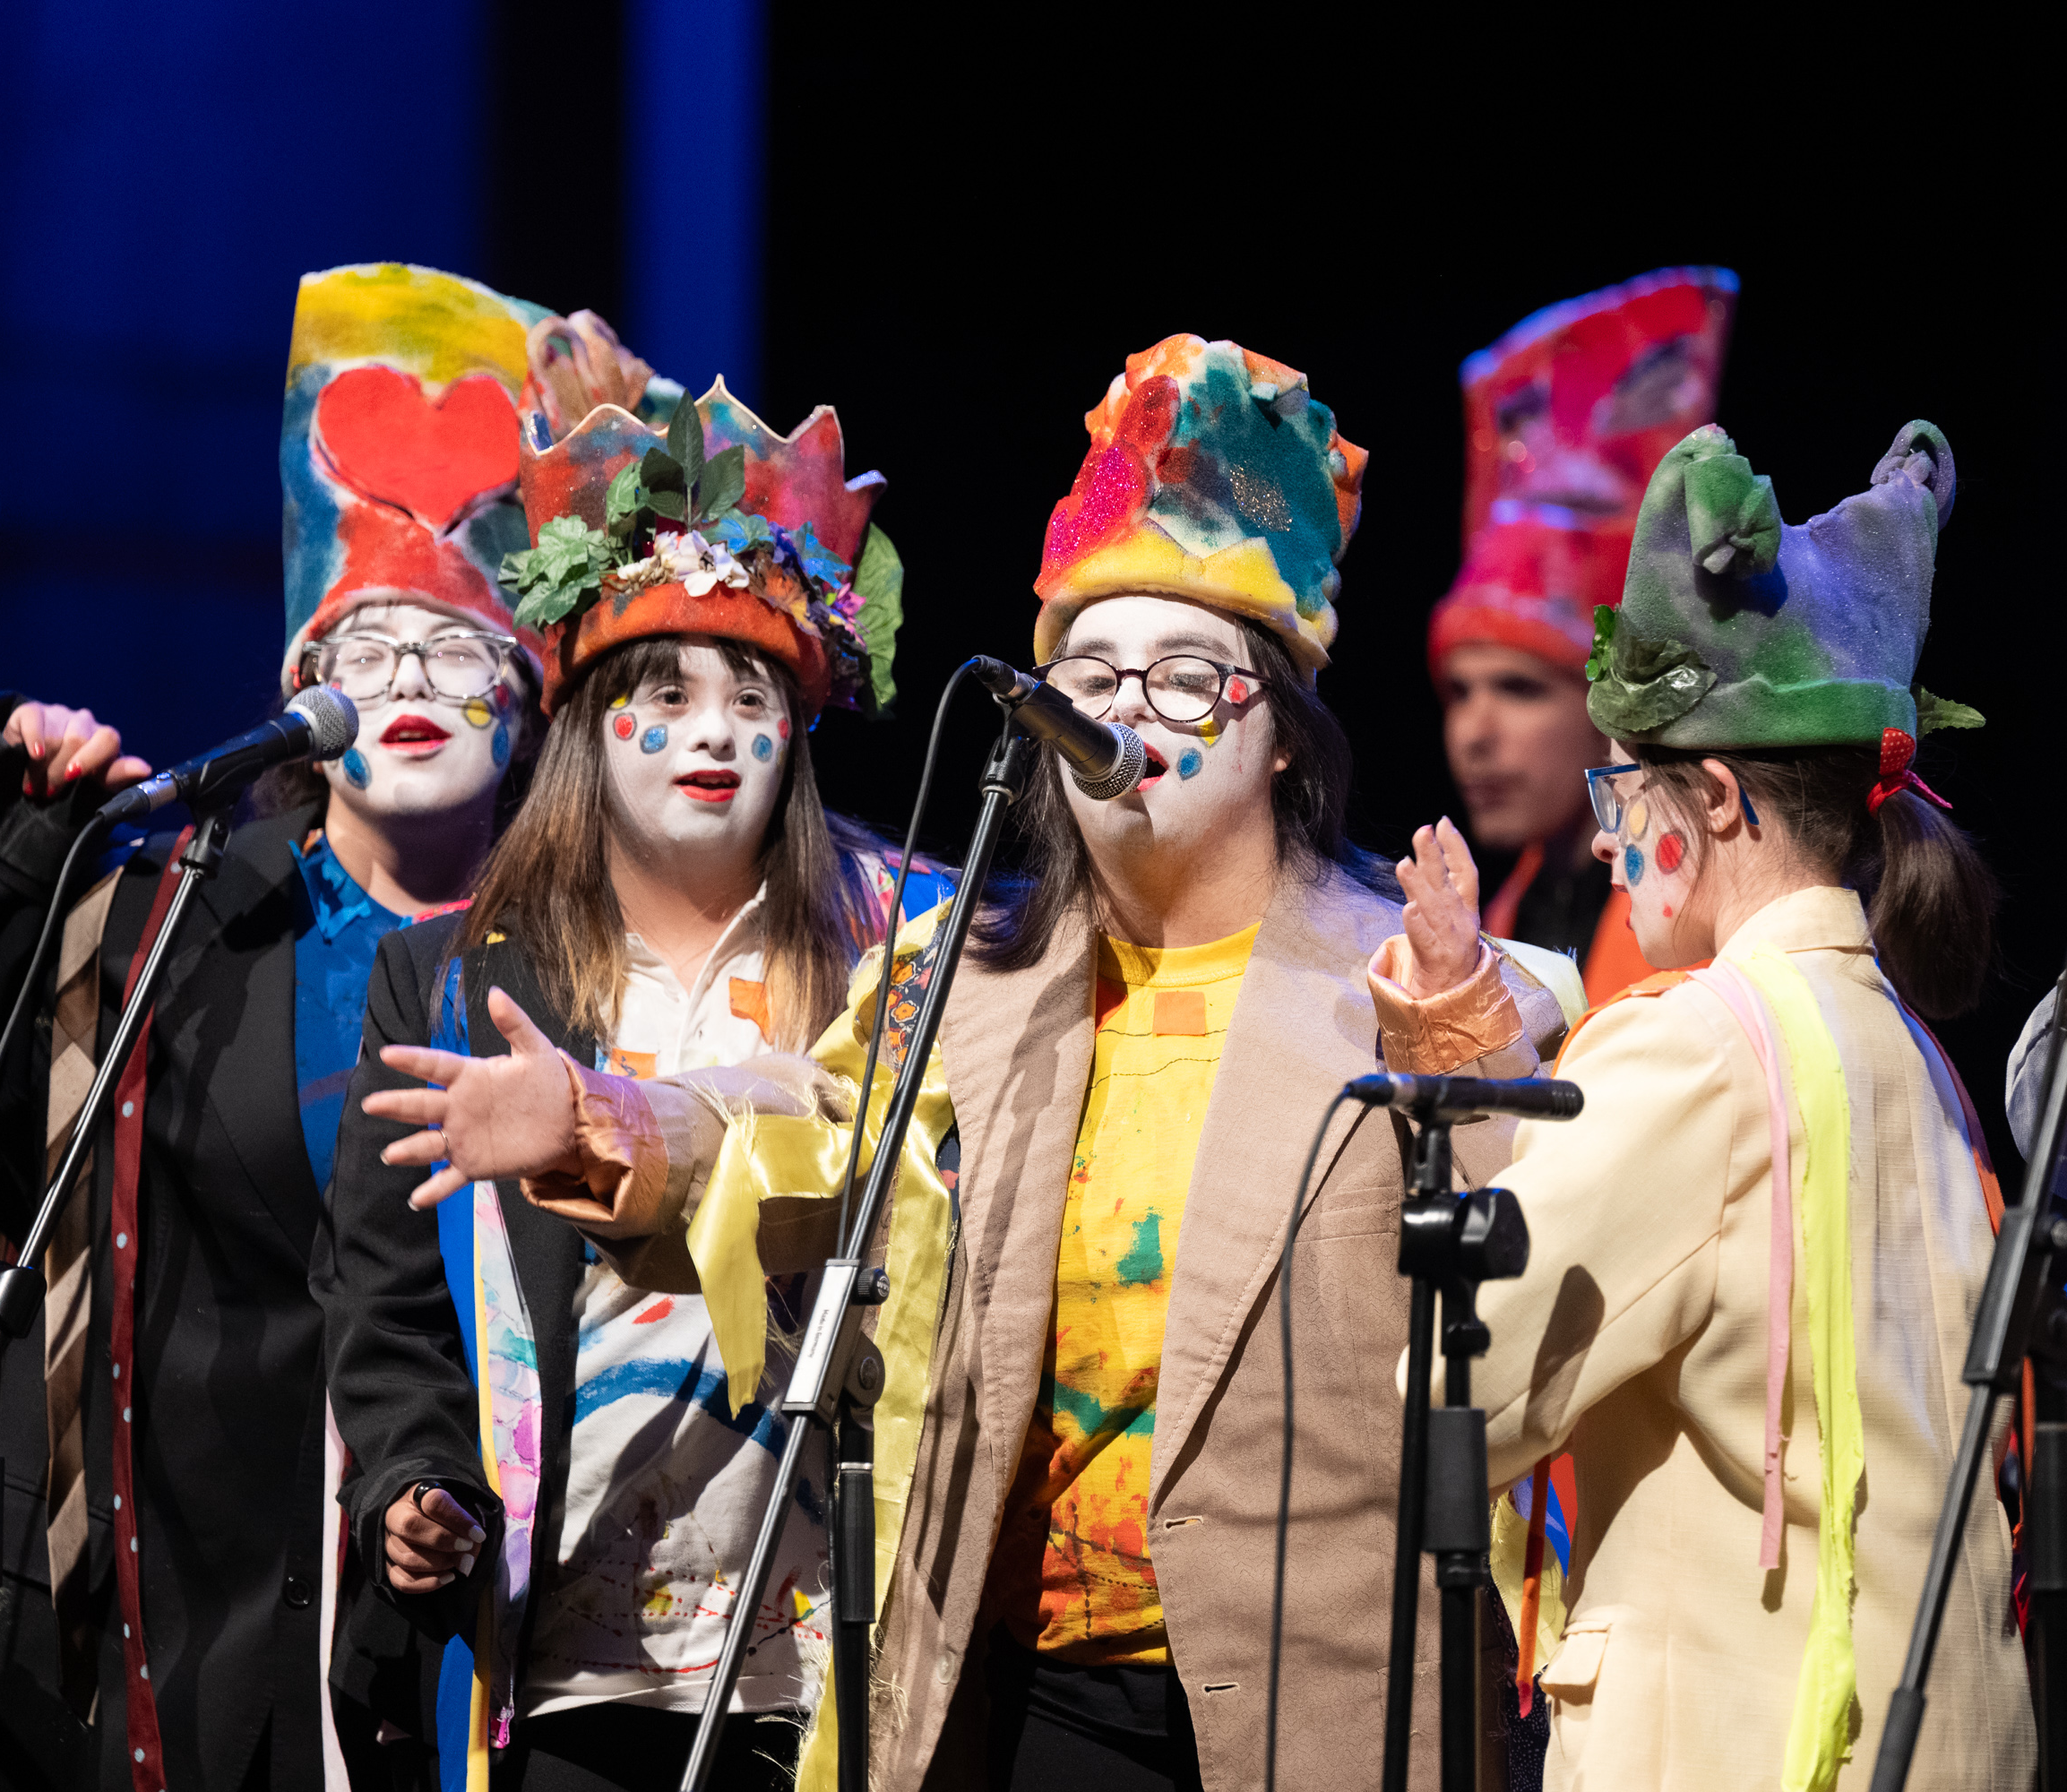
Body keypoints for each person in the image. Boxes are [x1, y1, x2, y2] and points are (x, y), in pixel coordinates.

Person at [355, 335, 1569, 1790]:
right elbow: (802, 1121)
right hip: (1032, 1705)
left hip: (1318, 1707)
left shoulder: (1416, 979)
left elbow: (1548, 1315)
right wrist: (600, 1119)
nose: (1124, 710)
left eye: (1187, 676)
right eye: (1093, 671)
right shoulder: (968, 983)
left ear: (1291, 740)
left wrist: (1454, 1046)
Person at [0, 263, 647, 1792]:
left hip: (477, 1650)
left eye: (454, 653)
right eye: (363, 654)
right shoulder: (187, 923)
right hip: (190, 1643)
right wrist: (8, 816)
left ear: (529, 699)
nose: (405, 686)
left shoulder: (597, 966)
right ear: (303, 688)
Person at [1375, 419, 2027, 1788]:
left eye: (1625, 794)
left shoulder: (1694, 1053)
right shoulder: (1908, 1045)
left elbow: (1456, 1393)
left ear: (1718, 799)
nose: (1614, 846)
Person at [320, 375, 930, 1789]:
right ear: (589, 726)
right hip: (565, 1661)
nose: (714, 732)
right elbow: (385, 1294)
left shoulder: (904, 946)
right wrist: (419, 1483)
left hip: (824, 1662)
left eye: (752, 694)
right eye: (666, 693)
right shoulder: (459, 981)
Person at [1433, 268, 1737, 1010]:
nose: (1474, 733)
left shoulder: (1712, 931)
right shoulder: (1493, 922)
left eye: (1521, 686)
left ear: (1610, 704)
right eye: (1457, 691)